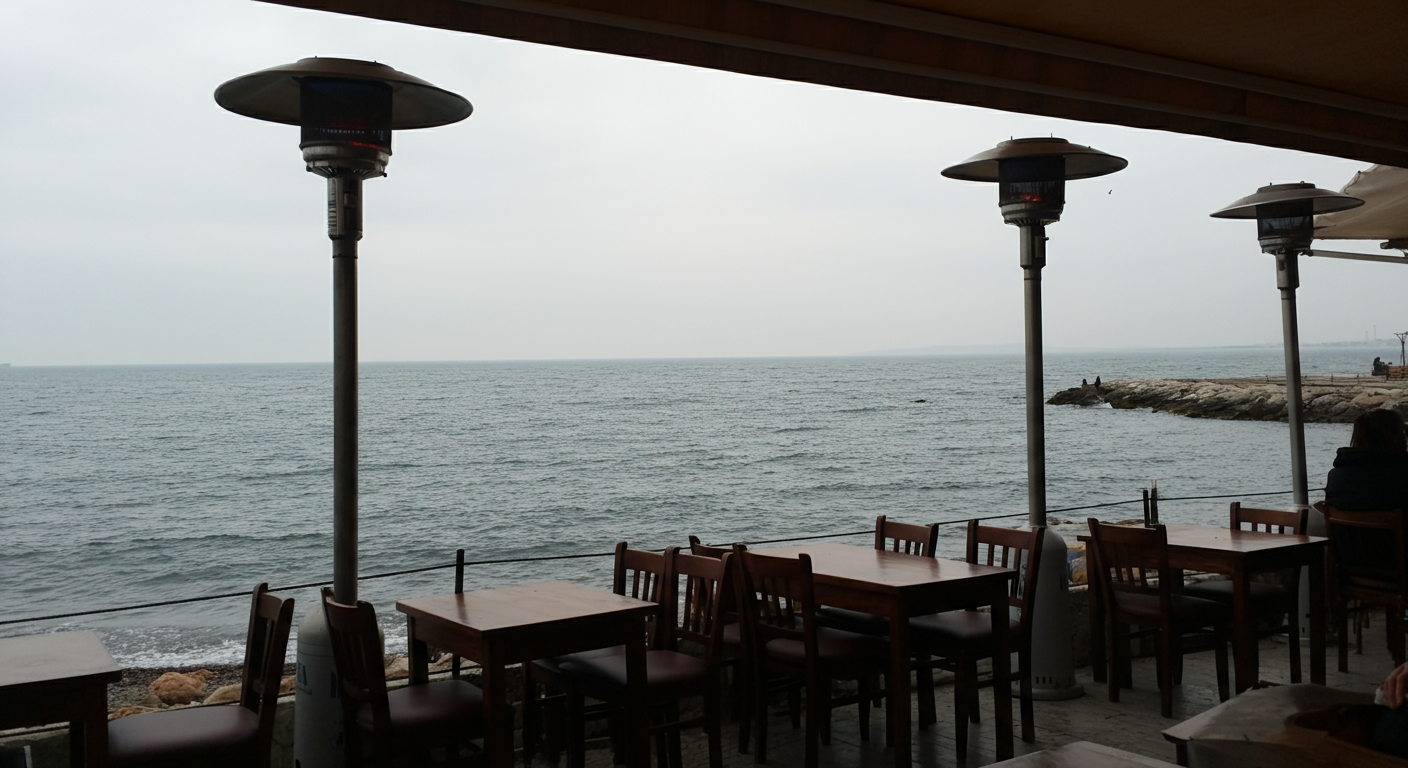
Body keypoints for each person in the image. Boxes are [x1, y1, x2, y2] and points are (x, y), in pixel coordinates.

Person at [1324, 408, 1408, 512]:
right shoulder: (1401, 474)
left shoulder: (1335, 476)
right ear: (1393, 436)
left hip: (1346, 528)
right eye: (1403, 432)